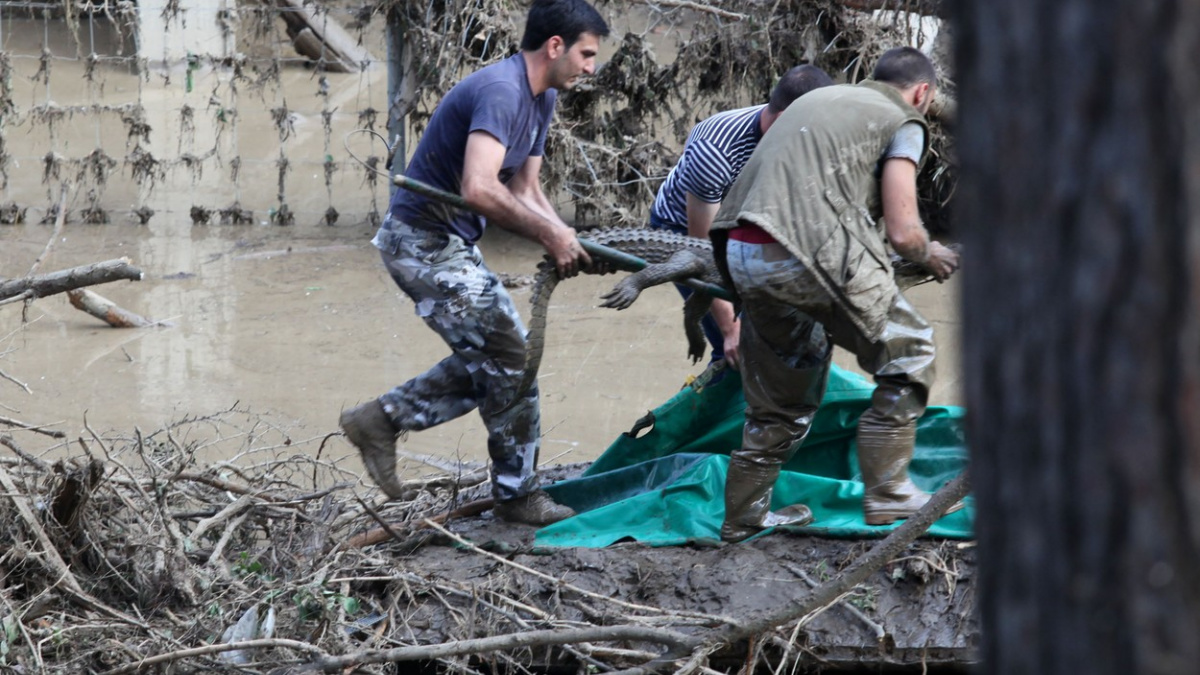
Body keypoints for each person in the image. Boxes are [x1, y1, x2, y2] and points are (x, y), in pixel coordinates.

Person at [338, 0, 610, 526]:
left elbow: (525, 188)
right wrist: (550, 234)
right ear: (555, 46)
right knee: (513, 358)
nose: (591, 67)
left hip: (452, 243)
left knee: (501, 357)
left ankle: (382, 417)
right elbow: (479, 188)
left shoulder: (543, 97)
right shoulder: (502, 91)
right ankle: (517, 494)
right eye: (586, 54)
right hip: (420, 242)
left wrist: (566, 237)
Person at [709, 47, 962, 542]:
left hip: (741, 251)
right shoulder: (903, 121)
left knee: (783, 397)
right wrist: (930, 253)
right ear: (922, 93)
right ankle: (889, 492)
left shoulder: (819, 101)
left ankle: (743, 515)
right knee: (911, 353)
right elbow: (903, 231)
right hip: (807, 249)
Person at [648, 65, 834, 369]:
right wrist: (730, 328)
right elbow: (701, 253)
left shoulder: (799, 136)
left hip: (744, 222)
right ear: (784, 118)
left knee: (786, 337)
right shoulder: (716, 150)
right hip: (683, 232)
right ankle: (714, 392)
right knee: (737, 350)